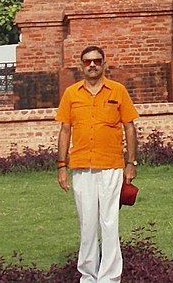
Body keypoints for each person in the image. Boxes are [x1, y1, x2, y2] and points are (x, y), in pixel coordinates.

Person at [56, 45, 139, 283]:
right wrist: (61, 165)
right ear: (81, 65)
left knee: (109, 222)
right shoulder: (72, 93)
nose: (92, 65)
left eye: (97, 61)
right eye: (87, 61)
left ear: (104, 63)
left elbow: (129, 127)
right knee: (87, 223)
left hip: (111, 165)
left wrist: (130, 163)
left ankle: (110, 278)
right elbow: (65, 129)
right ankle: (88, 276)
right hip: (82, 166)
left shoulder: (118, 91)